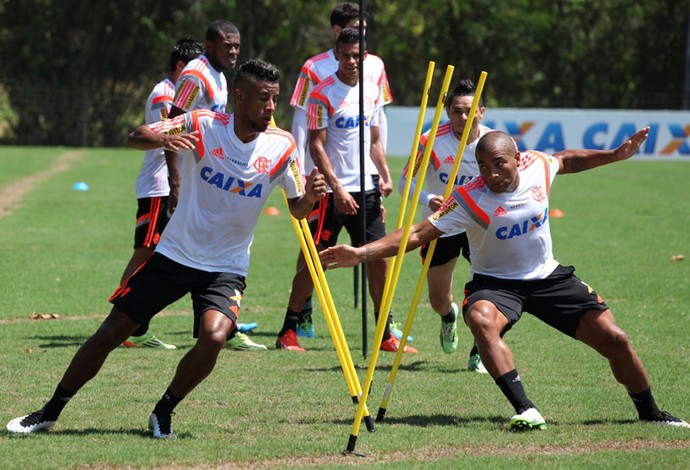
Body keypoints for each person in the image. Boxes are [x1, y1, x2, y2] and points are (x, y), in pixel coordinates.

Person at [6, 59, 327, 438]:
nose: (271, 108)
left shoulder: (283, 145)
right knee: (110, 333)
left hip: (226, 266)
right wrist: (162, 139)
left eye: (274, 99)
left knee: (214, 336)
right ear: (239, 98)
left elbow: (296, 207)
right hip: (175, 255)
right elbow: (136, 134)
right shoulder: (203, 123)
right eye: (263, 99)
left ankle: (164, 410)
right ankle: (48, 411)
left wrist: (311, 198)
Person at [320, 127, 690, 430]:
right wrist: (360, 253)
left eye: (499, 164)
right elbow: (417, 233)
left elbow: (567, 160)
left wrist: (614, 156)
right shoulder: (466, 199)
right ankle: (527, 409)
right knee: (480, 319)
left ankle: (651, 413)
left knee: (616, 339)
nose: (491, 174)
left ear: (517, 158)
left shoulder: (537, 168)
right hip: (495, 284)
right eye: (483, 166)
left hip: (548, 278)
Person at [276, 28, 409, 353]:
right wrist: (336, 188)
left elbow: (374, 140)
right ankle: (288, 330)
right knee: (316, 260)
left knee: (380, 259)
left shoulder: (372, 91)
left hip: (367, 191)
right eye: (345, 55)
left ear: (364, 56)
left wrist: (384, 175)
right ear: (337, 55)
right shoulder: (322, 93)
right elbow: (317, 146)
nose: (351, 61)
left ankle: (385, 333)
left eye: (357, 55)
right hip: (333, 194)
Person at [164, 19, 263, 350]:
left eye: (236, 46)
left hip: (212, 178)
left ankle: (224, 323)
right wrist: (174, 181)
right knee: (162, 250)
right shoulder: (197, 74)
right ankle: (135, 320)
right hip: (193, 178)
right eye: (227, 46)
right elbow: (173, 121)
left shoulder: (219, 74)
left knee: (225, 245)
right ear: (209, 46)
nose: (233, 52)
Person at [398, 79, 492, 370]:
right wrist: (428, 198)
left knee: (489, 292)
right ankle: (449, 318)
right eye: (456, 111)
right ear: (448, 111)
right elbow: (405, 182)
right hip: (444, 223)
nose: (463, 117)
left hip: (480, 224)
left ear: (481, 111)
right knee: (439, 299)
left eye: (469, 111)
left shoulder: (495, 142)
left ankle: (481, 349)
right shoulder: (430, 140)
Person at [120, 36, 204, 350]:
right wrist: (175, 184)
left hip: (178, 184)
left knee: (163, 252)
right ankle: (127, 321)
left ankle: (135, 324)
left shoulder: (186, 92)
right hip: (160, 185)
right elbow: (165, 135)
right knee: (146, 252)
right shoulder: (164, 94)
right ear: (181, 66)